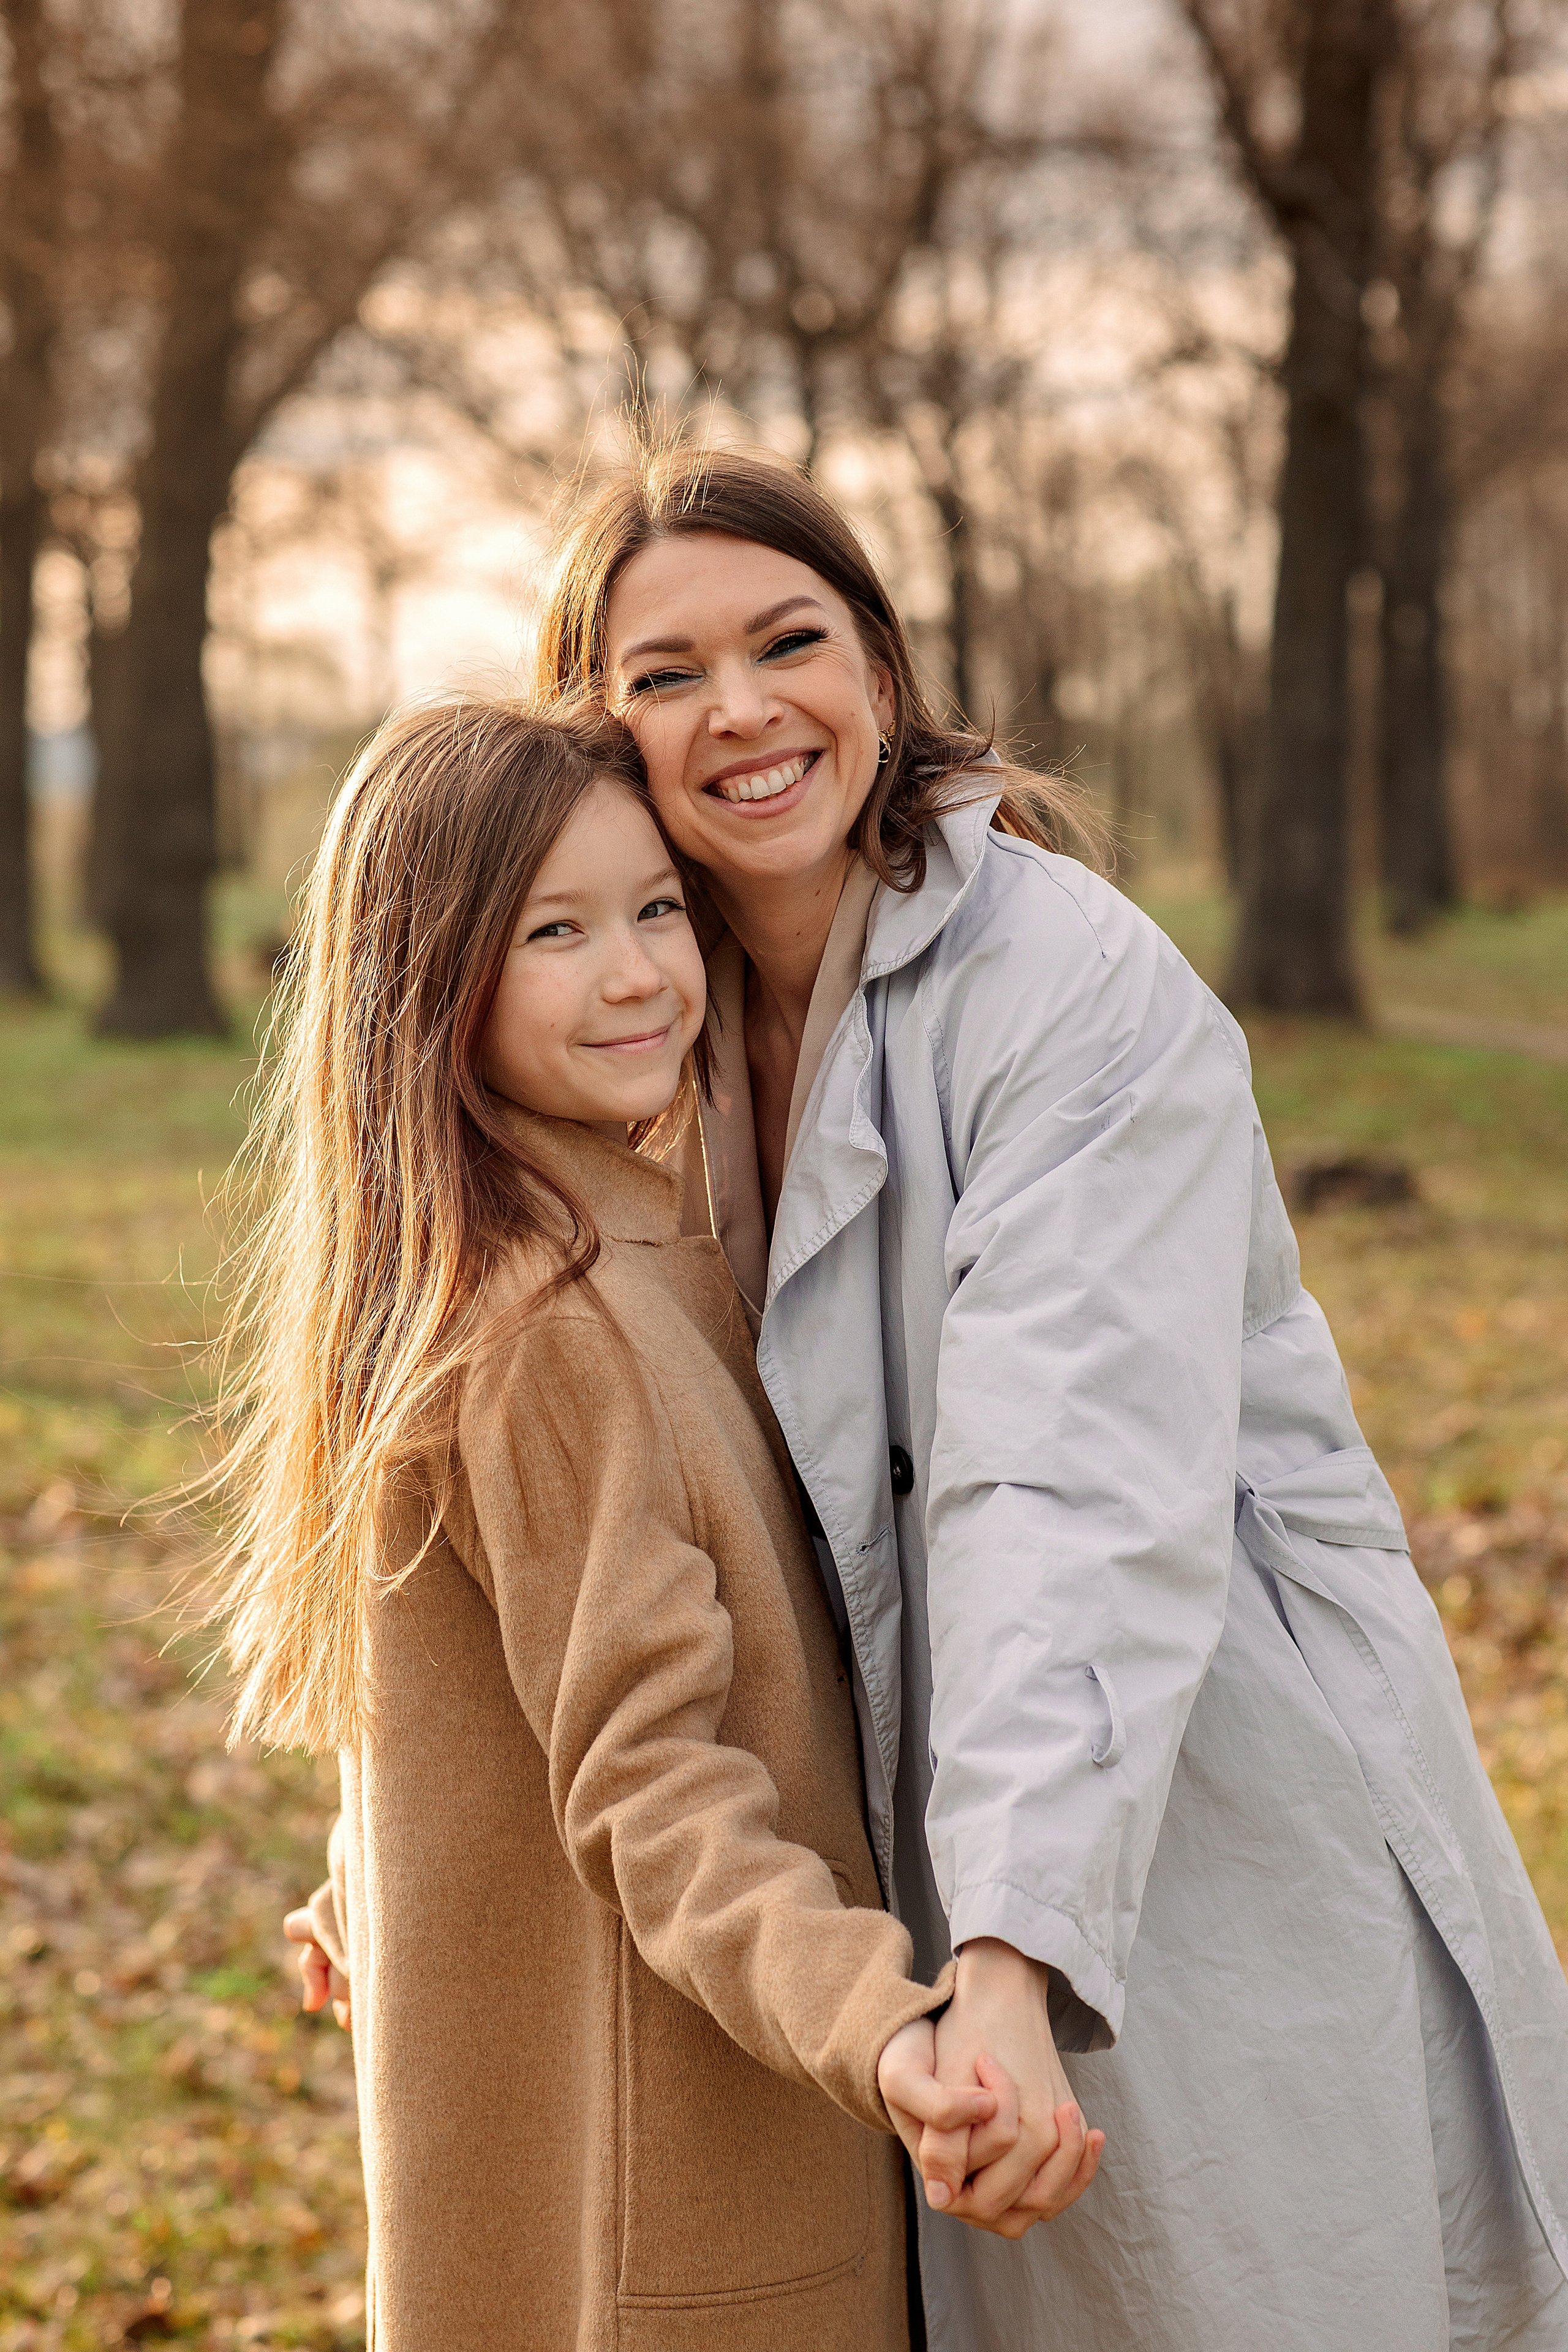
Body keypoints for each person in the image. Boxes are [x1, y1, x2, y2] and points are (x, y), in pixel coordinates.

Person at [525, 442, 1568, 2351]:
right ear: (593, 729)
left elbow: (1062, 1493)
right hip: (925, 1859)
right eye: (664, 674)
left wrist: (1009, 1949)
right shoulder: (646, 1017)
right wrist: (400, 1848)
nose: (741, 710)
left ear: (886, 672)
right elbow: (580, 1492)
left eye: (790, 641)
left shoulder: (1069, 991)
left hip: (1187, 1806)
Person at [222, 699, 1084, 2350]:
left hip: (646, 2170)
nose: (634, 974)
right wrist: (889, 2030)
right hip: (680, 2233)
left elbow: (491, 1670)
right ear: (428, 977)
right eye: (555, 931)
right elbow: (648, 1772)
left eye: (655, 910)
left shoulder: (596, 1243)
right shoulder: (552, 1321)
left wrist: (382, 1865)